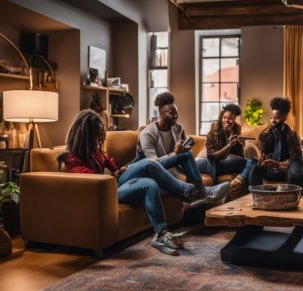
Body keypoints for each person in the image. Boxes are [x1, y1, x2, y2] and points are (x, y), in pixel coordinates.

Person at [63, 109, 206, 256]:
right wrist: (113, 175)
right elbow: (89, 180)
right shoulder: (71, 158)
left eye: (100, 137)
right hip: (105, 192)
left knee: (150, 177)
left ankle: (161, 235)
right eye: (96, 137)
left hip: (115, 182)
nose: (98, 141)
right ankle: (189, 191)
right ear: (85, 136)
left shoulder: (96, 150)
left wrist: (117, 170)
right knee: (148, 173)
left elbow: (109, 161)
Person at [136, 91, 230, 200]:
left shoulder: (178, 128)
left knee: (187, 155)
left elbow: (182, 156)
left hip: (173, 167)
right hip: (154, 170)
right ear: (162, 114)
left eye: (177, 112)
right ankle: (204, 192)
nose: (176, 116)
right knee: (184, 156)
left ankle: (202, 191)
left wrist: (184, 149)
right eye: (172, 113)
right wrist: (176, 153)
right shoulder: (147, 134)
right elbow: (153, 165)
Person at [196, 104, 257, 193]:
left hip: (227, 161)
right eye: (224, 118)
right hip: (210, 163)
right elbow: (211, 156)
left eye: (230, 118)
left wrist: (240, 144)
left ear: (234, 119)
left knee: (253, 162)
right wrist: (229, 145)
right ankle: (242, 182)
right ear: (221, 118)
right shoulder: (213, 131)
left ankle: (242, 184)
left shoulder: (236, 128)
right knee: (247, 163)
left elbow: (238, 155)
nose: (226, 121)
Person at [250, 97, 303, 186]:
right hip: (269, 169)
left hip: (285, 168)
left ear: (285, 117)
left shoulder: (292, 135)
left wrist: (278, 164)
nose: (273, 121)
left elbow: (296, 158)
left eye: (277, 118)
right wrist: (262, 160)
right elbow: (262, 153)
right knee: (254, 164)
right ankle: (256, 194)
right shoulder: (264, 134)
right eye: (271, 118)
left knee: (296, 167)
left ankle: (294, 194)